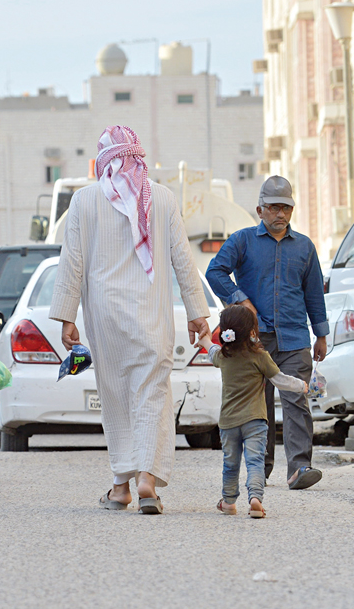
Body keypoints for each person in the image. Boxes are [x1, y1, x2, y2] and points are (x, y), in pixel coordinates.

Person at [49, 126, 210, 514]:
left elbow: (71, 263)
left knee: (115, 395)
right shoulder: (162, 197)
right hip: (152, 315)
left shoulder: (84, 201)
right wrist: (197, 312)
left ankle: (121, 486)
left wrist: (66, 317)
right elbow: (183, 259)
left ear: (104, 159)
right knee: (152, 394)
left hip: (106, 317)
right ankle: (147, 481)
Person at [205, 175, 328, 490]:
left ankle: (299, 468)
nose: (280, 214)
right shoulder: (242, 241)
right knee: (259, 407)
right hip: (255, 342)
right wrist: (240, 299)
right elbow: (215, 271)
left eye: (286, 208)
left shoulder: (305, 247)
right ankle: (261, 468)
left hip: (294, 339)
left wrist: (321, 334)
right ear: (260, 210)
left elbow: (314, 294)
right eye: (274, 207)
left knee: (296, 399)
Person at [196, 305, 308, 518]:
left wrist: (204, 339)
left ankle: (228, 502)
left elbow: (211, 350)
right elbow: (280, 380)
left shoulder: (223, 356)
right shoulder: (260, 357)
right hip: (255, 421)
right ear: (252, 332)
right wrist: (301, 386)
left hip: (228, 422)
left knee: (230, 464)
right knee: (255, 461)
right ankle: (255, 498)